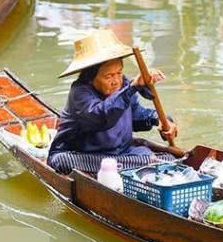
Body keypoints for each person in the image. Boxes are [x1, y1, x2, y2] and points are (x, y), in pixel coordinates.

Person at [47, 29, 178, 175]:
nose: (116, 81)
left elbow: (135, 115)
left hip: (121, 155)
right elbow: (102, 115)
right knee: (63, 160)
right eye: (109, 76)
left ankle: (135, 166)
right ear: (91, 77)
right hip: (84, 156)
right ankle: (136, 167)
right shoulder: (80, 92)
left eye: (119, 73)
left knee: (169, 158)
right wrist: (132, 88)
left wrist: (158, 119)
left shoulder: (123, 85)